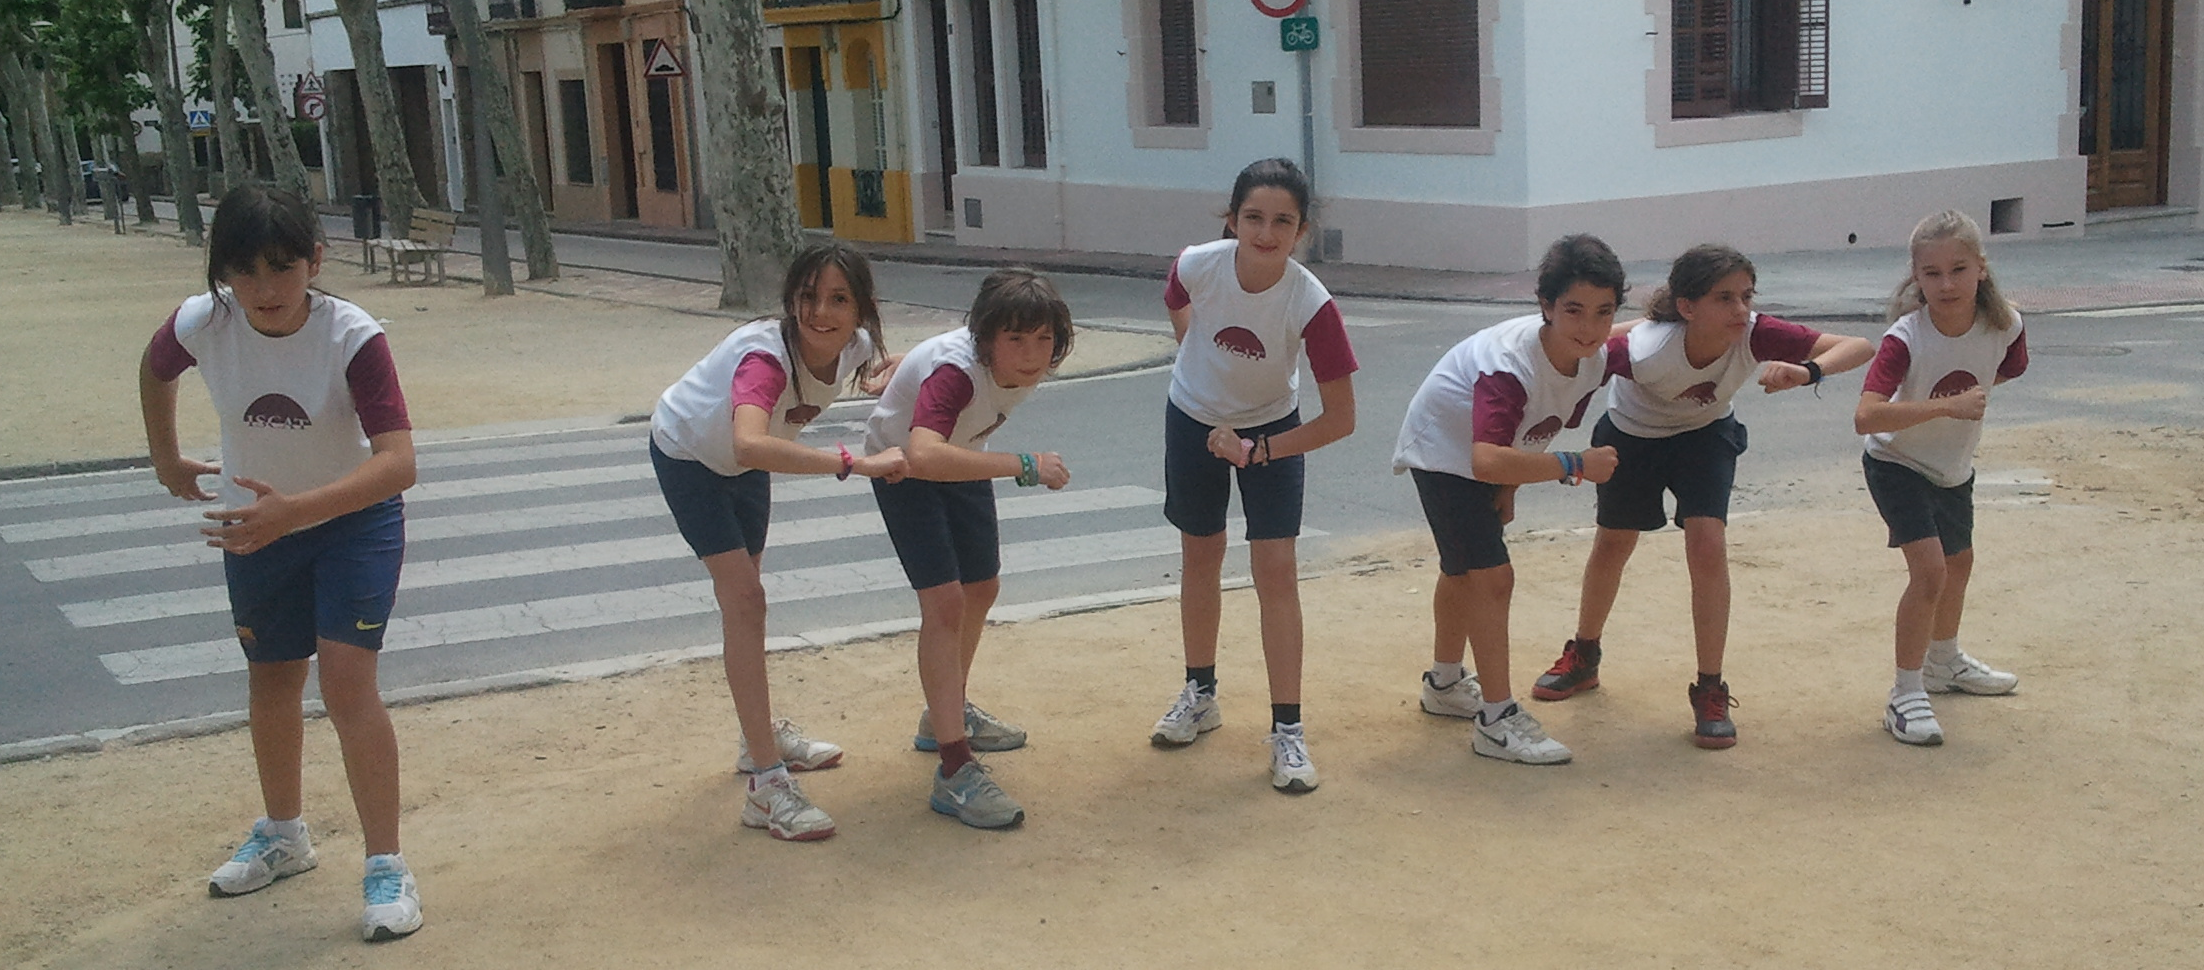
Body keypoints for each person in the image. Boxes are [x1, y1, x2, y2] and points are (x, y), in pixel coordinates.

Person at [138, 184, 422, 941]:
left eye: (281, 267)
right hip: (256, 526)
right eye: (243, 270)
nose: (263, 288)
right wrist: (167, 458)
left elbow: (399, 464)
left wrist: (296, 511)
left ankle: (387, 864)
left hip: (352, 521)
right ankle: (284, 834)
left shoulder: (352, 337)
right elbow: (155, 366)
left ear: (315, 261)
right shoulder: (204, 321)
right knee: (270, 676)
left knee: (346, 680)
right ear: (221, 272)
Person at [1536, 244, 1874, 748]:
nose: (1741, 310)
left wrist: (1808, 372)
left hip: (1705, 437)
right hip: (1633, 436)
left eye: (1746, 296)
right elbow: (1577, 358)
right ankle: (1584, 655)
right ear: (1687, 307)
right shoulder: (1645, 349)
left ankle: (1710, 687)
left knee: (1707, 545)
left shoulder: (1754, 333)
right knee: (1613, 543)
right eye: (1725, 299)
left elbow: (1859, 345)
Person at [648, 242, 908, 841]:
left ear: (861, 309)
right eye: (808, 297)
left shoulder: (857, 346)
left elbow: (875, 366)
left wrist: (896, 368)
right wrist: (852, 463)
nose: (821, 312)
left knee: (749, 607)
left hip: (740, 468)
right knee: (745, 602)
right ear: (790, 302)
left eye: (839, 300)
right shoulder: (765, 360)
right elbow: (749, 443)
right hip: (690, 455)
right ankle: (766, 786)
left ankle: (755, 737)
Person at [1147, 157, 1358, 794]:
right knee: (1200, 554)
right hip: (1192, 419)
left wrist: (1260, 451)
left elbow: (1342, 418)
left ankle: (1287, 731)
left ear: (1303, 231)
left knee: (1276, 569)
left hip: (1271, 429)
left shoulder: (1311, 303)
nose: (1266, 233)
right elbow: (1175, 297)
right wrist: (1196, 353)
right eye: (1253, 218)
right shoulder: (1198, 264)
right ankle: (1199, 692)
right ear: (1232, 219)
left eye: (1283, 222)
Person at [1393, 235, 1630, 767]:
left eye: (1603, 312)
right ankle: (1496, 720)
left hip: (1485, 459)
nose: (1589, 327)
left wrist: (1510, 488)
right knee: (1491, 578)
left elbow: (1533, 427)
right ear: (1545, 306)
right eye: (1573, 310)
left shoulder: (1590, 354)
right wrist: (1574, 465)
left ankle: (1445, 683)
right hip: (1444, 453)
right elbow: (1485, 458)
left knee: (1463, 572)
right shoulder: (1510, 366)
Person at [865, 268, 1075, 828]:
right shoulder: (958, 374)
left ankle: (944, 714)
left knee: (983, 585)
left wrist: (912, 361)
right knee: (946, 604)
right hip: (903, 470)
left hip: (965, 457)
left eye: (1044, 340)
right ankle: (955, 769)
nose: (1032, 356)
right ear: (987, 340)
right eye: (1016, 340)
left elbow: (951, 361)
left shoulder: (995, 356)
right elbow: (925, 453)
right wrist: (1025, 466)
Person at [1854, 210, 2028, 746]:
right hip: (1895, 462)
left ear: (1981, 267)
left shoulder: (2007, 326)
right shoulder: (1905, 338)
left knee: (1960, 562)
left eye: (1958, 269)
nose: (1946, 284)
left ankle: (1944, 663)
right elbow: (1867, 416)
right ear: (1915, 276)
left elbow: (2009, 367)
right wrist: (1945, 407)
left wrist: (1957, 410)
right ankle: (1905, 694)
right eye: (1931, 273)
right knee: (1929, 572)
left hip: (1953, 466)